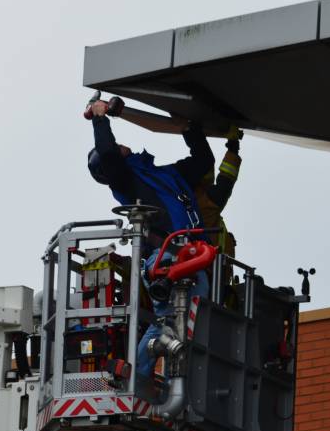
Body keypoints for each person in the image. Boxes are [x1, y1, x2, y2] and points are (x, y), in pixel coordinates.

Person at [86, 101, 214, 377]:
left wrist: (188, 129)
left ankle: (174, 385)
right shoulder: (126, 182)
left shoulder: (165, 174)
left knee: (193, 328)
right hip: (166, 259)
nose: (120, 145)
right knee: (167, 323)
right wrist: (99, 117)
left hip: (194, 258)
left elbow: (204, 161)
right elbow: (108, 156)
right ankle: (135, 382)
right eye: (115, 145)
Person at [194, 131, 242, 262]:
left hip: (212, 273)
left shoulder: (200, 206)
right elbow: (224, 185)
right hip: (209, 272)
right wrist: (233, 150)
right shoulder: (203, 208)